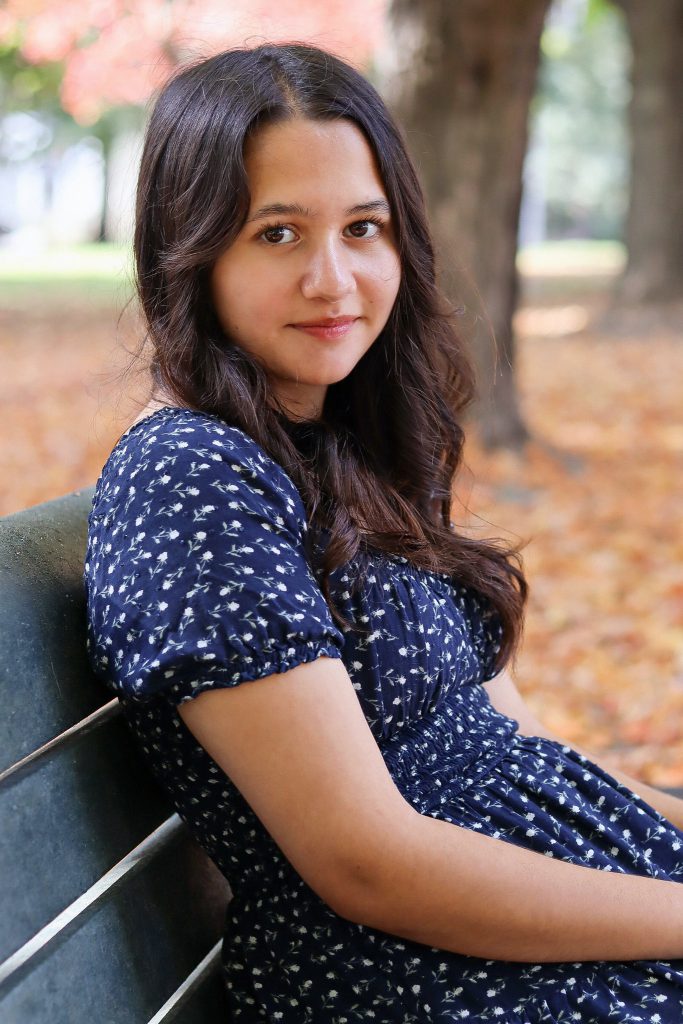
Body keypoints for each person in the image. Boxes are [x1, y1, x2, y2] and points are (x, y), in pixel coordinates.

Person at [84, 42, 683, 1023]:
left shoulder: (342, 446)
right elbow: (368, 863)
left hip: (525, 930)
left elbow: (513, 743)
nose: (334, 278)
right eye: (277, 234)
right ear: (187, 250)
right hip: (415, 976)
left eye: (363, 227)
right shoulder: (192, 479)